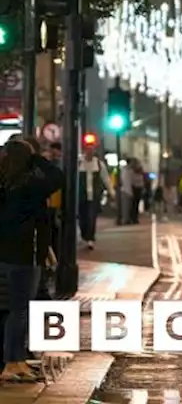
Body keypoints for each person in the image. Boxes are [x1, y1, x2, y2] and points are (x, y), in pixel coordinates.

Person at [0, 139, 58, 382]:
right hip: (24, 257)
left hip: (5, 256)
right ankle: (13, 363)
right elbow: (57, 177)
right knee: (20, 311)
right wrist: (35, 157)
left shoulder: (4, 185)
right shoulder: (30, 186)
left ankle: (17, 361)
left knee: (13, 310)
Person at [77, 151, 110, 250]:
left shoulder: (99, 164)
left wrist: (111, 191)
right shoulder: (79, 163)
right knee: (82, 218)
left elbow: (105, 179)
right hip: (81, 196)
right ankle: (85, 235)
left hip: (94, 196)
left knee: (91, 217)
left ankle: (90, 238)